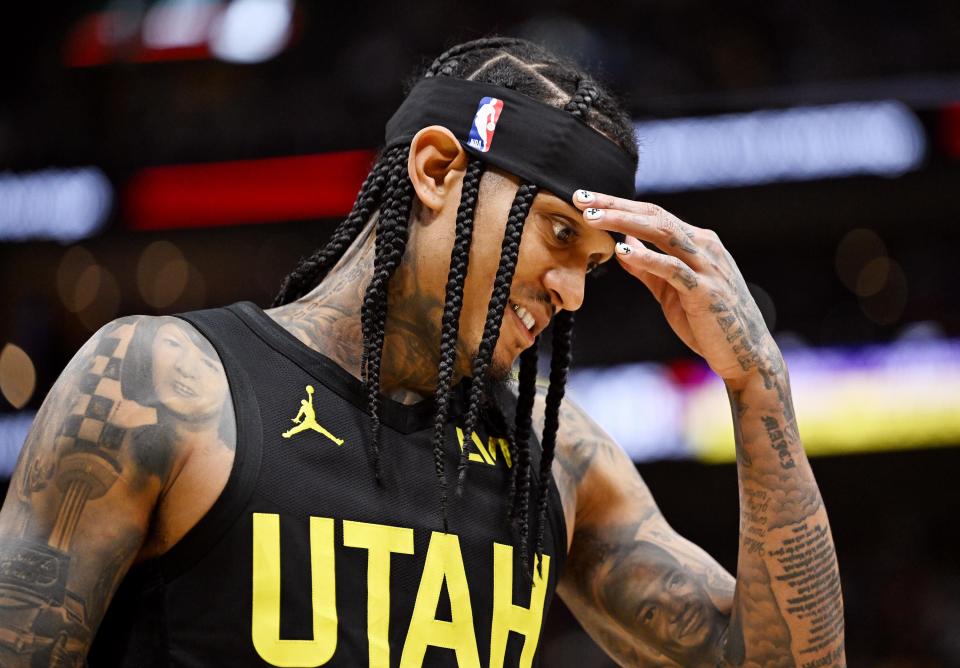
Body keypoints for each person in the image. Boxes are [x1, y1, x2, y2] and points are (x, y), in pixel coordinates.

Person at [0, 37, 845, 667]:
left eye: (592, 263)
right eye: (556, 233)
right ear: (438, 169)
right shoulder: (161, 386)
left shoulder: (557, 462)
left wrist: (757, 383)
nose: (574, 290)